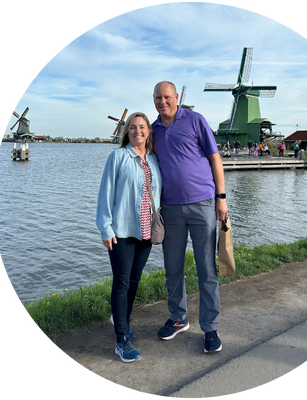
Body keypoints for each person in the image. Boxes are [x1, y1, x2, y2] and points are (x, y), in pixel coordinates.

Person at [152, 81, 228, 353]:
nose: (163, 102)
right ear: (154, 100)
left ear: (176, 98)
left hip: (203, 204)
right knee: (172, 266)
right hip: (170, 207)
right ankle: (178, 318)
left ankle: (209, 326)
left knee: (206, 267)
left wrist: (221, 197)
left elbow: (215, 157)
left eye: (167, 97)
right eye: (158, 98)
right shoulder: (153, 130)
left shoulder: (196, 120)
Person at [96, 112, 162, 363]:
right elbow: (106, 193)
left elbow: (157, 192)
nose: (138, 131)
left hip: (145, 231)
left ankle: (122, 320)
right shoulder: (118, 157)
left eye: (142, 127)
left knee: (134, 280)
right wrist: (106, 228)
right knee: (122, 283)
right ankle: (122, 340)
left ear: (148, 132)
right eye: (133, 127)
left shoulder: (153, 159)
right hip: (122, 231)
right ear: (127, 131)